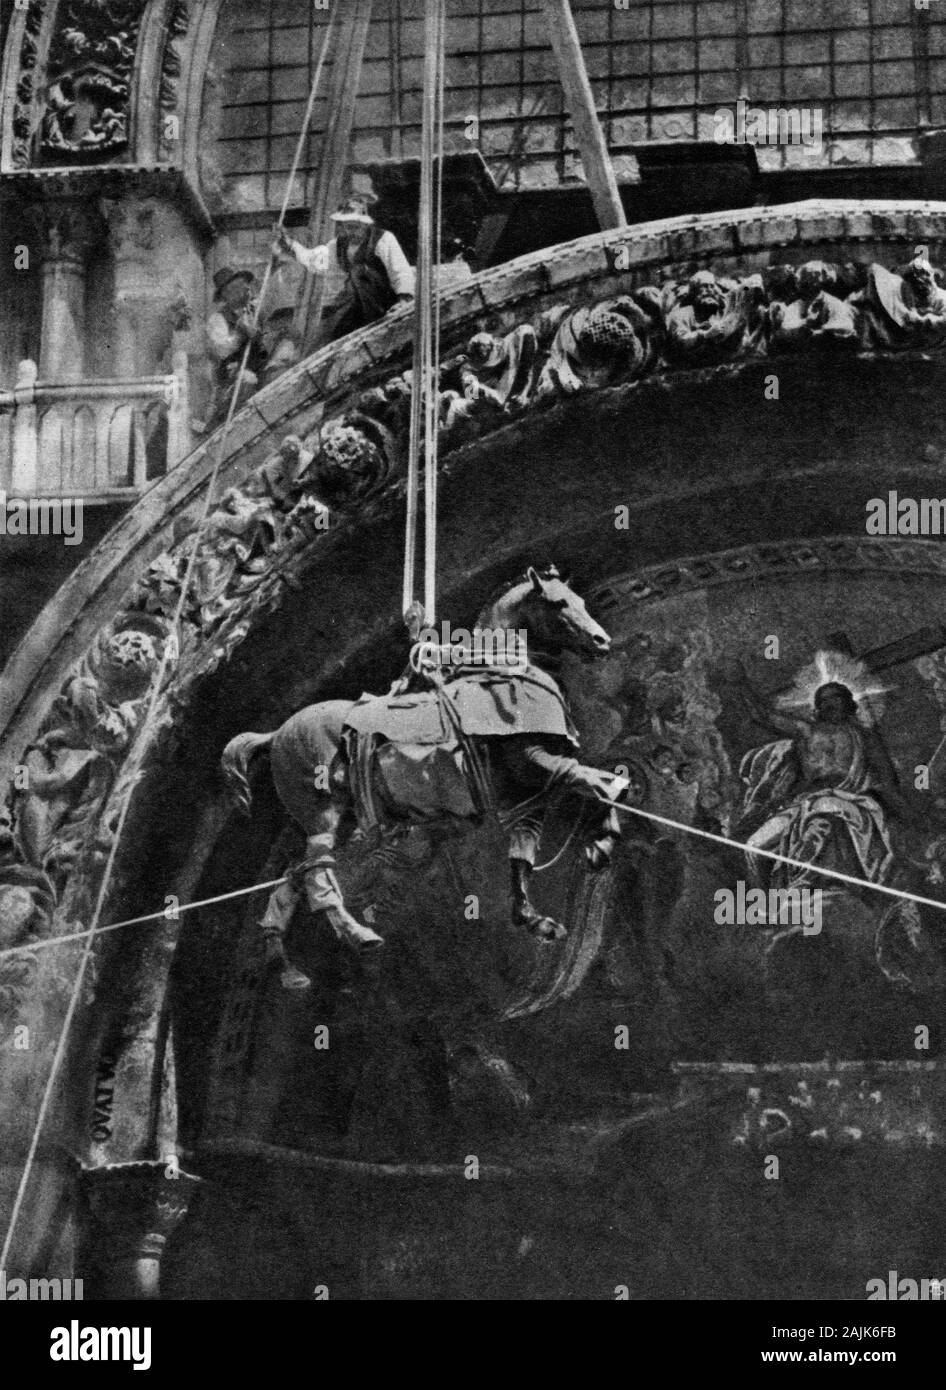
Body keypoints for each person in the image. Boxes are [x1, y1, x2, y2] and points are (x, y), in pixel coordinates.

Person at [272, 194, 413, 349]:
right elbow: (314, 261)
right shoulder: (339, 245)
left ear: (365, 224)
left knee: (360, 272)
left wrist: (404, 301)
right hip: (359, 304)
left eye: (355, 227)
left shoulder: (383, 239)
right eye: (347, 227)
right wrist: (291, 244)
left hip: (384, 301)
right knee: (330, 336)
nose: (350, 231)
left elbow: (400, 271)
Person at [206, 267, 268, 424]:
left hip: (262, 366)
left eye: (244, 285)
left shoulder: (256, 308)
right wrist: (240, 334)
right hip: (233, 377)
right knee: (247, 380)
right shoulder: (218, 319)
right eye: (237, 287)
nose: (245, 288)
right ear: (226, 294)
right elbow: (221, 350)